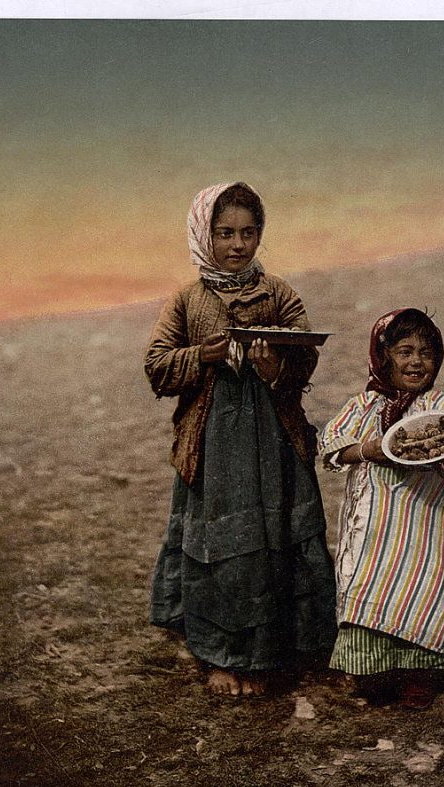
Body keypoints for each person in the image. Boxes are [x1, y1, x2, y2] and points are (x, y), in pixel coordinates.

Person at [145, 181, 336, 697]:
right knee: (222, 545)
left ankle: (280, 652)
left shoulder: (276, 292)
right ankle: (220, 656)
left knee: (277, 539)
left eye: (248, 233)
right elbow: (157, 366)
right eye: (225, 233)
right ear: (205, 235)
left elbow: (306, 353)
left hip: (273, 443)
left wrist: (278, 365)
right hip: (213, 449)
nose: (237, 245)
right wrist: (202, 357)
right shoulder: (186, 300)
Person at [319, 308, 444, 709]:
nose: (416, 362)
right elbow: (331, 443)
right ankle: (372, 669)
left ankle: (419, 674)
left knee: (427, 590)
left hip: (426, 524)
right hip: (375, 526)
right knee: (371, 588)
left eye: (427, 353)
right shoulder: (365, 404)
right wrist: (368, 449)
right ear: (383, 355)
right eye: (404, 351)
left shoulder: (442, 409)